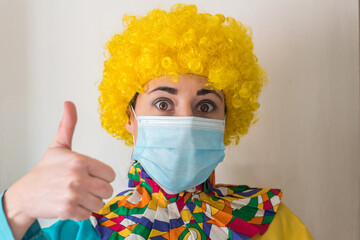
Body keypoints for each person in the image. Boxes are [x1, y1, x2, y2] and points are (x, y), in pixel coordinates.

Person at [0, 4, 313, 240]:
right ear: (130, 118)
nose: (187, 121)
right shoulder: (84, 230)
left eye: (205, 105)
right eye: (164, 103)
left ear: (227, 120)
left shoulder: (270, 223)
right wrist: (15, 207)